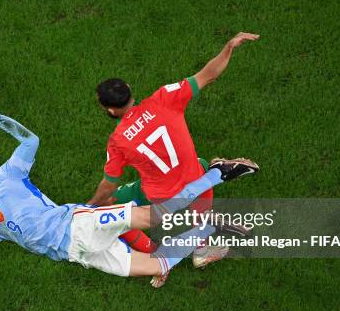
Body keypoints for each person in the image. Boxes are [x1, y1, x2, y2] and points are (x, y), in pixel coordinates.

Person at [0, 103, 257, 286]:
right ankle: (207, 230)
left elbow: (30, 141)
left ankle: (215, 174)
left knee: (152, 215)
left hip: (78, 225)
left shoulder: (8, 175)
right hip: (77, 253)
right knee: (157, 265)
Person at [88, 32, 260, 269]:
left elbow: (109, 183)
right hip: (194, 181)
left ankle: (152, 252)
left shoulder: (117, 141)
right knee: (202, 169)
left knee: (111, 207)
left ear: (109, 110)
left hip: (159, 197)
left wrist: (91, 205)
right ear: (129, 88)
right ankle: (202, 249)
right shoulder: (164, 98)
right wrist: (229, 47)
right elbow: (208, 75)